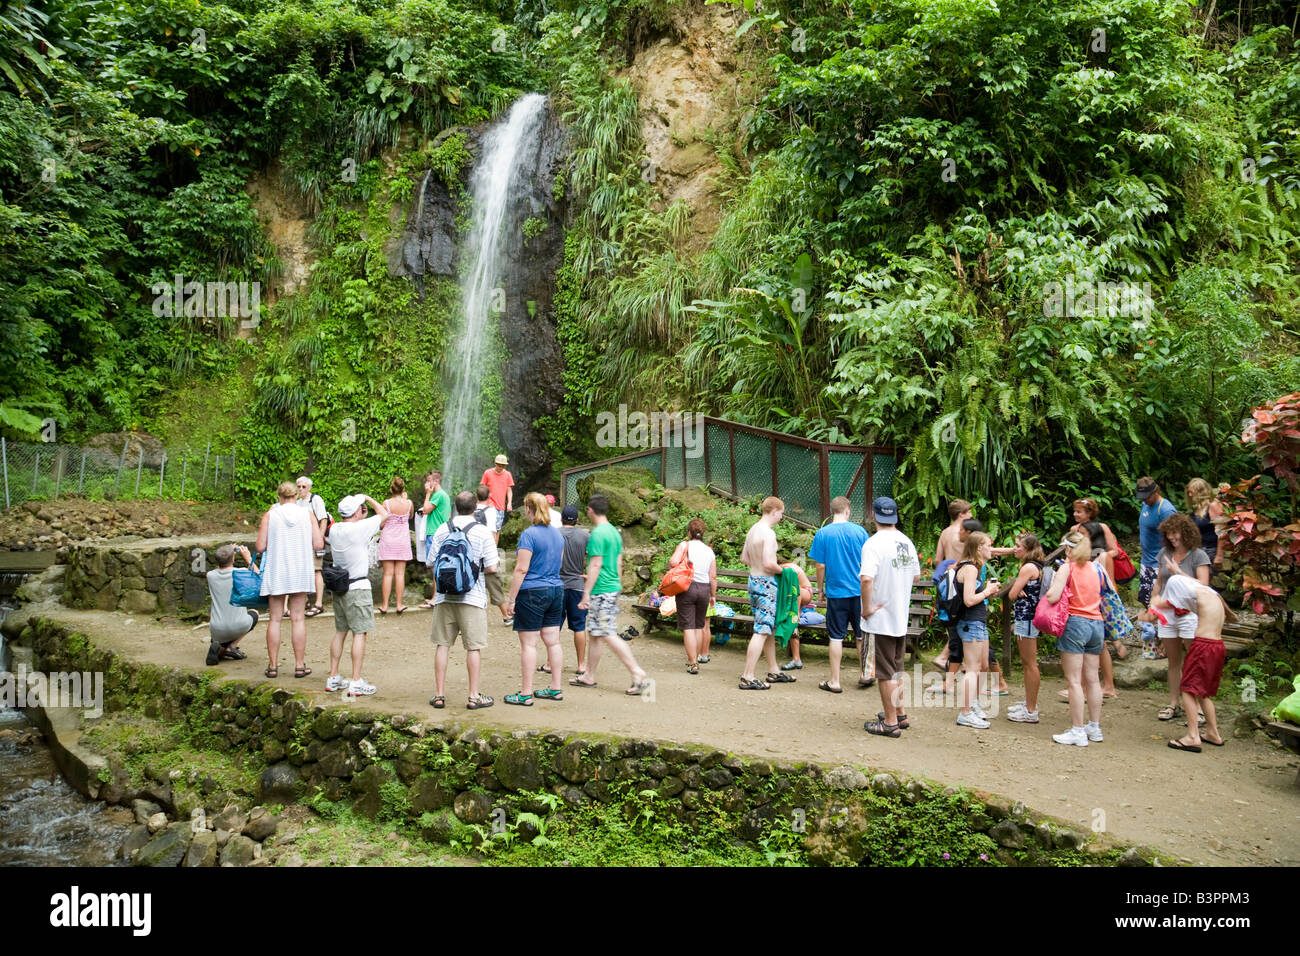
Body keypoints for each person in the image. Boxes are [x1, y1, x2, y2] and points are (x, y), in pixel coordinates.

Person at [427, 490, 499, 711]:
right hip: (473, 597)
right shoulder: (482, 531)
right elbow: (492, 567)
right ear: (475, 507)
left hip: (443, 597)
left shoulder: (442, 529)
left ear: (455, 507)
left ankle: (439, 696)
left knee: (442, 645)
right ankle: (473, 696)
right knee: (473, 648)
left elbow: (430, 562)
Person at [573, 494, 651, 695]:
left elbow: (596, 564)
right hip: (611, 586)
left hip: (602, 589)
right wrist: (613, 583)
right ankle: (589, 675)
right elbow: (617, 562)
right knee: (595, 633)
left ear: (590, 510)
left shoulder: (598, 534)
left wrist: (586, 593)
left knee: (606, 632)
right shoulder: (614, 532)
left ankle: (637, 672)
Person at [859, 497, 921, 737]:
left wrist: (866, 608)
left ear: (874, 515)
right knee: (896, 668)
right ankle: (900, 713)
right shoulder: (906, 542)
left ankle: (890, 722)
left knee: (884, 672)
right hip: (899, 617)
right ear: (894, 516)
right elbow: (915, 577)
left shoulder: (873, 544)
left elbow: (866, 578)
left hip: (880, 619)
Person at [1044, 530, 1109, 747]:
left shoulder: (1067, 568)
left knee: (1073, 680)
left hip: (1075, 623)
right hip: (1096, 624)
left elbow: (1053, 595)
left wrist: (1053, 583)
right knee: (1092, 678)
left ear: (1069, 549)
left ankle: (1077, 730)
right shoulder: (1097, 568)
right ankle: (1094, 727)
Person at [1157, 568, 1234, 752]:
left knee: (1188, 689)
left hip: (1203, 645)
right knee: (1202, 691)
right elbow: (1231, 614)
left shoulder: (1188, 592)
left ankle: (1192, 736)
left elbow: (1167, 606)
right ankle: (1213, 733)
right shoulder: (1211, 594)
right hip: (1218, 645)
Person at [502, 492, 566, 706]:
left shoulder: (528, 535)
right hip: (556, 590)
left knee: (529, 645)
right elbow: (560, 563)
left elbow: (521, 569)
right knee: (553, 641)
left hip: (532, 592)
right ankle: (555, 688)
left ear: (529, 510)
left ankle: (526, 693)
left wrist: (511, 600)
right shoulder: (558, 535)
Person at [257, 481, 325, 679]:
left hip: (277, 571)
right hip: (300, 571)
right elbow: (318, 543)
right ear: (296, 496)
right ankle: (299, 665)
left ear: (279, 497)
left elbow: (260, 546)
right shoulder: (307, 514)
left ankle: (272, 666)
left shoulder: (271, 515)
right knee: (298, 619)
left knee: (275, 619)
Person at [1150, 512, 1213, 723]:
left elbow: (1203, 586)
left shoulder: (1198, 555)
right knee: (1173, 662)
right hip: (1167, 614)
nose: (1172, 538)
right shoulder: (1164, 553)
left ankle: (1199, 708)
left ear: (1185, 532)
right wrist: (1153, 600)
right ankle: (1174, 704)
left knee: (1194, 662)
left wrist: (1178, 572)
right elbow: (1159, 581)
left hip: (1190, 614)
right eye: (1168, 534)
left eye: (1175, 533)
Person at [324, 494, 388, 696]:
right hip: (358, 587)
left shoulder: (334, 529)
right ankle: (356, 680)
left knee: (340, 631)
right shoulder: (360, 528)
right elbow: (384, 514)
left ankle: (333, 677)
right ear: (355, 512)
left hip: (340, 586)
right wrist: (368, 498)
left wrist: (359, 507)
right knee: (359, 633)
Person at [808, 495, 869, 692]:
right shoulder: (860, 532)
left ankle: (835, 681)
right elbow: (867, 562)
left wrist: (820, 590)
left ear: (831, 511)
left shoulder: (823, 533)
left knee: (836, 637)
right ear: (848, 510)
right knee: (861, 635)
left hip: (835, 593)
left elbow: (820, 565)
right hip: (859, 592)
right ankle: (865, 674)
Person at [736, 497, 788, 690]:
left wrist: (759, 565)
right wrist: (786, 571)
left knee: (768, 628)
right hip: (766, 583)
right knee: (762, 630)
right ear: (774, 511)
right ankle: (747, 676)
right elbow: (768, 563)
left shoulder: (753, 530)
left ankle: (774, 669)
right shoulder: (768, 533)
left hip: (753, 580)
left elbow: (744, 558)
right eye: (781, 513)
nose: (781, 517)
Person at [952, 532, 1000, 730]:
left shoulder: (974, 568)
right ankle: (965, 712)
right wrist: (987, 591)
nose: (991, 549)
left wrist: (988, 590)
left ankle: (974, 703)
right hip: (970, 623)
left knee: (982, 666)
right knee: (972, 669)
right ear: (979, 548)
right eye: (988, 546)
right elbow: (969, 600)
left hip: (978, 622)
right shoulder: (970, 568)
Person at [1005, 533, 1046, 723]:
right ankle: (1029, 703)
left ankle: (1031, 710)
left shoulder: (1028, 567)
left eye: (1018, 545)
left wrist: (1017, 588)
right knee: (1027, 663)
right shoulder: (1035, 565)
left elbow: (1012, 594)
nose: (1015, 548)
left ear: (1028, 549)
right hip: (1028, 619)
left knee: (1030, 664)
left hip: (1027, 619)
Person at [668, 518, 717, 674]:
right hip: (704, 589)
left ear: (689, 532)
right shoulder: (709, 551)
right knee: (698, 625)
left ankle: (693, 663)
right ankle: (696, 659)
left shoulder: (685, 545)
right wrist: (713, 596)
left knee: (688, 627)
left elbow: (673, 562)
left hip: (687, 587)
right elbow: (713, 577)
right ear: (703, 533)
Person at [930, 499, 972, 669]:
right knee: (964, 619)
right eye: (968, 512)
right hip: (962, 578)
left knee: (956, 619)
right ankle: (945, 657)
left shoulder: (945, 533)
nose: (971, 515)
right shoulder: (965, 533)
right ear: (961, 514)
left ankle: (956, 660)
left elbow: (938, 559)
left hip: (947, 581)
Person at [205, 544, 259, 666]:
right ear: (233, 559)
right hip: (239, 625)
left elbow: (221, 563)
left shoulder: (210, 576)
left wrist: (227, 549)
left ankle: (220, 648)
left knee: (221, 637)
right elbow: (258, 576)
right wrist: (248, 558)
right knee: (254, 613)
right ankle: (231, 647)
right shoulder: (241, 573)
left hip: (216, 629)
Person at [557, 505, 590, 677]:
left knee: (553, 625)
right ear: (577, 520)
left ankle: (550, 663)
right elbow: (596, 556)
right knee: (579, 627)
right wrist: (588, 575)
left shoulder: (554, 533)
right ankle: (581, 665)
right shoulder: (585, 536)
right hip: (577, 584)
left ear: (561, 518)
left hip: (557, 584)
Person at [1136, 477, 1178, 608]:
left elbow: (1176, 539)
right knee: (1144, 598)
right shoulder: (1145, 504)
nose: (1144, 500)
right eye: (1142, 497)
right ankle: (1149, 628)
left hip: (1159, 563)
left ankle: (1164, 626)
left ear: (1156, 492)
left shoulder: (1166, 510)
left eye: (1147, 497)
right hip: (1146, 561)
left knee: (1160, 600)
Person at [475, 483, 510, 624]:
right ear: (489, 496)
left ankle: (469, 620)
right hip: (486, 554)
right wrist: (493, 552)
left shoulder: (470, 509)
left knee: (472, 587)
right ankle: (507, 616)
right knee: (494, 586)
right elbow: (493, 533)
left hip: (473, 554)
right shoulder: (491, 511)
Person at [377, 477, 414, 614]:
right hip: (402, 540)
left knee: (387, 574)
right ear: (403, 489)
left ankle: (385, 605)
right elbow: (410, 517)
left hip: (388, 539)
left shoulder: (386, 503)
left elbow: (382, 522)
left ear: (391, 489)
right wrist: (406, 498)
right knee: (400, 574)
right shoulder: (409, 503)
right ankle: (399, 604)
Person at [295, 476, 329, 618]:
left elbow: (323, 520)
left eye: (303, 486)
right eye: (299, 486)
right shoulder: (297, 503)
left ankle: (319, 603)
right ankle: (306, 601)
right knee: (302, 571)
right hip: (302, 542)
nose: (301, 489)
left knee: (316, 570)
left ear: (309, 487)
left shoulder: (315, 500)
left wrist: (319, 539)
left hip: (314, 541)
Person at [416, 472, 450, 608]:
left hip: (434, 533)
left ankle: (435, 598)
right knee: (437, 566)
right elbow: (448, 514)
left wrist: (427, 494)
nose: (426, 484)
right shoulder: (444, 495)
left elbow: (425, 510)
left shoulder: (438, 495)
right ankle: (438, 596)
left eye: (428, 481)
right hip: (440, 532)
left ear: (434, 482)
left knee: (435, 567)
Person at [1069, 497, 1119, 583]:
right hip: (1082, 566)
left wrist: (1099, 559)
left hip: (1101, 566)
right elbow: (1071, 551)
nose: (1074, 514)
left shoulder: (1103, 527)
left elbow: (1114, 551)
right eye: (1074, 511)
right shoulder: (1074, 529)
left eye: (1078, 512)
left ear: (1089, 514)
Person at [1185, 478, 1224, 566]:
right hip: (1197, 551)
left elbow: (1222, 532)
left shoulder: (1213, 506)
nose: (1190, 495)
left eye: (1192, 492)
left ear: (1200, 492)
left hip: (1210, 550)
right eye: (1188, 493)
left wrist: (1219, 555)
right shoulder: (1197, 510)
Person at [480, 454, 515, 536]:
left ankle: (494, 548)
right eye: (499, 465)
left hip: (500, 506)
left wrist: (509, 503)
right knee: (487, 528)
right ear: (495, 463)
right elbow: (482, 489)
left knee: (497, 529)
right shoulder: (487, 473)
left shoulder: (507, 475)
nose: (500, 467)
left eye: (503, 466)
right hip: (488, 505)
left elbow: (509, 490)